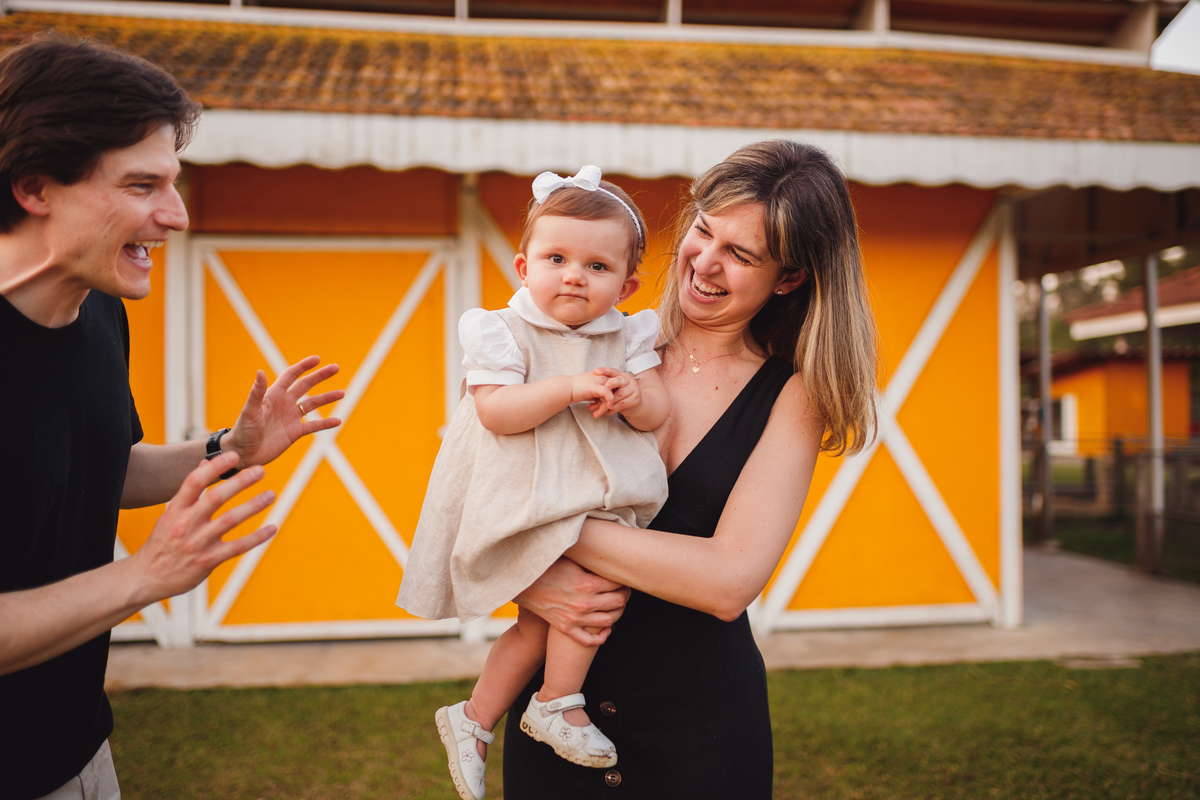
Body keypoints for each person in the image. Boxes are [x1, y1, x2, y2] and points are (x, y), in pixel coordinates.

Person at [0, 35, 344, 800]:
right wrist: (146, 577)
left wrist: (231, 449)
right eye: (143, 185)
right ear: (35, 187)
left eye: (173, 183)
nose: (177, 216)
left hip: (82, 748)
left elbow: (106, 469)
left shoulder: (94, 315)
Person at [502, 139, 880, 797]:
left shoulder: (793, 395)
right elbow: (474, 494)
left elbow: (727, 580)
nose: (705, 261)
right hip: (552, 719)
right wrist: (525, 574)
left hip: (699, 735)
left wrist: (541, 534)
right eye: (704, 231)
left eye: (741, 254)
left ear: (788, 278)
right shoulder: (584, 343)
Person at [397, 166, 670, 800]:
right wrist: (571, 386)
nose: (574, 274)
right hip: (527, 492)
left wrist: (635, 395)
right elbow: (498, 412)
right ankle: (554, 702)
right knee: (592, 595)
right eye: (556, 257)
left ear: (625, 283)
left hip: (588, 492)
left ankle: (473, 718)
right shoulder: (500, 329)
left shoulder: (628, 334)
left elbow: (657, 413)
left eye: (597, 267)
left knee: (541, 622)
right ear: (524, 267)